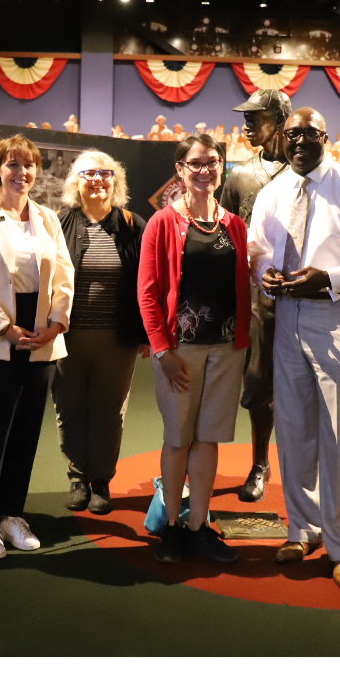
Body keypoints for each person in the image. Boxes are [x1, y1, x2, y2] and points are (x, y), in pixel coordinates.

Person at [248, 107, 340, 592]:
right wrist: (266, 275)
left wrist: (332, 279)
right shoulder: (272, 193)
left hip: (337, 318)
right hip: (285, 317)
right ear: (281, 139)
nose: (301, 141)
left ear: (326, 137)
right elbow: (257, 250)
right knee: (292, 430)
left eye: (310, 133)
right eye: (292, 134)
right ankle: (302, 528)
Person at [0, 135, 74, 560]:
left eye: (29, 165)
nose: (22, 173)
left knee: (25, 434)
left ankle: (11, 514)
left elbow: (63, 276)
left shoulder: (47, 218)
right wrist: (5, 328)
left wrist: (56, 324)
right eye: (13, 165)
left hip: (41, 342)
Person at [138, 133, 251, 564]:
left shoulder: (234, 226)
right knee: (177, 439)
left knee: (208, 440)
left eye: (213, 162)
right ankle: (171, 529)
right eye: (196, 163)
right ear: (181, 170)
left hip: (226, 350)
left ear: (221, 167)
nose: (205, 170)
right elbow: (147, 293)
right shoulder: (162, 223)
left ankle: (199, 526)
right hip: (179, 352)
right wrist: (162, 350)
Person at [53, 151, 148, 514]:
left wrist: (144, 332)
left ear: (116, 181)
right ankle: (78, 478)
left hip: (117, 339)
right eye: (87, 173)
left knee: (109, 411)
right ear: (75, 182)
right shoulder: (60, 222)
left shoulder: (132, 224)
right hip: (68, 337)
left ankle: (101, 480)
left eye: (105, 173)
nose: (97, 180)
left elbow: (145, 281)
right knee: (70, 407)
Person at [220, 88, 293, 502]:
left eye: (257, 117)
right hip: (257, 298)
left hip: (305, 295)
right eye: (246, 117)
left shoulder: (306, 170)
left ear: (281, 120)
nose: (248, 125)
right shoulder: (240, 176)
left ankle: (304, 467)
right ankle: (260, 463)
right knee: (258, 384)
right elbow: (228, 240)